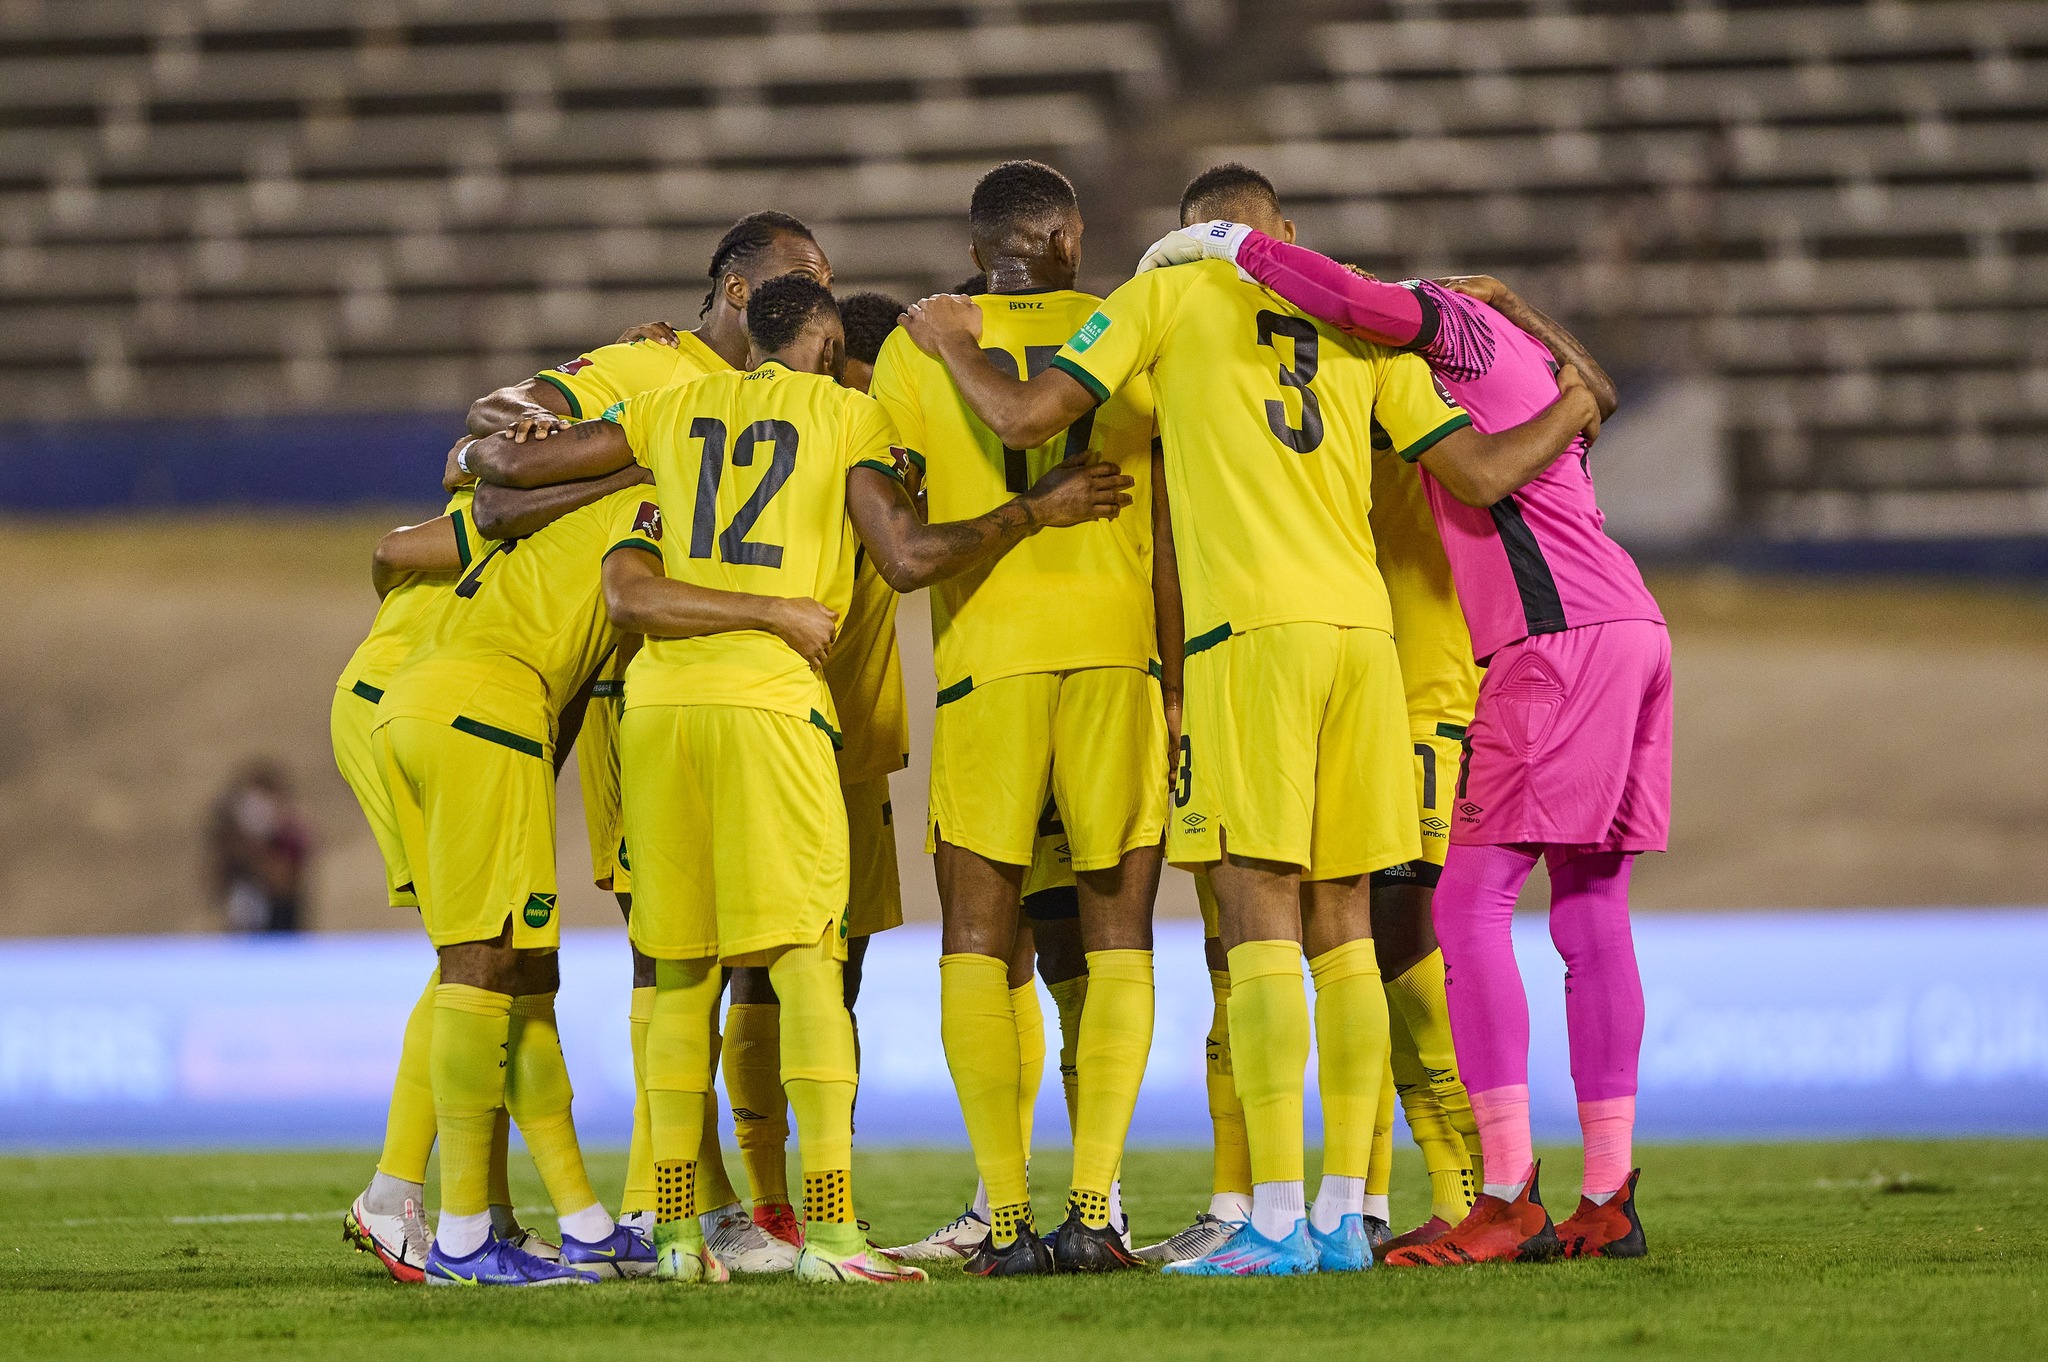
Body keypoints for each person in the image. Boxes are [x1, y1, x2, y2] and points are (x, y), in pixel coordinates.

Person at [899, 162, 1598, 1276]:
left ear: (1190, 238)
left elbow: (1029, 411)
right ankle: (1340, 1216)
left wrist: (944, 340)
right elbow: (1473, 474)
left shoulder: (1163, 297)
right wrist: (1572, 399)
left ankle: (1270, 1223)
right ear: (1285, 234)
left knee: (1258, 920)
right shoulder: (1362, 326)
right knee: (1346, 931)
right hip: (1362, 648)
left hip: (1247, 646)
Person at [460, 273, 1131, 1284]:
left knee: (681, 973)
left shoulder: (667, 408)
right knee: (809, 960)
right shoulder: (847, 415)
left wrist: (479, 452)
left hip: (658, 714)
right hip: (771, 705)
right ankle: (829, 1234)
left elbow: (510, 464)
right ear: (822, 342)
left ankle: (677, 1235)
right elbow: (904, 557)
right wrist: (1031, 510)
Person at [1152, 215, 1661, 1265]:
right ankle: (1605, 1198)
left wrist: (1223, 243)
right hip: (1630, 628)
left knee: (1464, 900)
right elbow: (1595, 390)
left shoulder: (1440, 324)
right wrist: (1530, 319)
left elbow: (1352, 306)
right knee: (1589, 907)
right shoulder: (1514, 343)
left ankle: (1505, 1194)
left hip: (1551, 637)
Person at [463, 211, 836, 1276]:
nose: (809, 296)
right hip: (645, 686)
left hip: (724, 689)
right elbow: (491, 429)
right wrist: (554, 461)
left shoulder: (780, 397)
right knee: (672, 950)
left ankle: (709, 1203)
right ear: (733, 289)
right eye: (796, 278)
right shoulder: (641, 365)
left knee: (740, 958)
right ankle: (663, 1198)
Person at [872, 160, 1167, 1275]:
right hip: (1112, 657)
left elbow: (891, 511)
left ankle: (1002, 1224)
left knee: (977, 939)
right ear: (1057, 234)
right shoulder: (1116, 321)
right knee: (1115, 932)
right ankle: (1095, 1214)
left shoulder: (914, 343)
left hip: (983, 665)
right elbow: (1171, 507)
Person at [334, 462, 645, 1282]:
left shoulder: (533, 500)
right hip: (472, 707)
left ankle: (556, 1220)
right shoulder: (621, 502)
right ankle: (447, 1226)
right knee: (480, 967)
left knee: (513, 967)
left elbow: (394, 553)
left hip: (419, 697)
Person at [717, 288, 914, 1255]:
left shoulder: (880, 430)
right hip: (772, 718)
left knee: (839, 976)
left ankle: (805, 1192)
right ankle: (764, 1203)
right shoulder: (829, 426)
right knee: (759, 965)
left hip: (855, 743)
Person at [209, 761, 313, 934]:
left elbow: (284, 885)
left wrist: (249, 848)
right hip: (241, 935)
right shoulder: (232, 839)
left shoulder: (289, 836)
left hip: (281, 935)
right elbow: (213, 886)